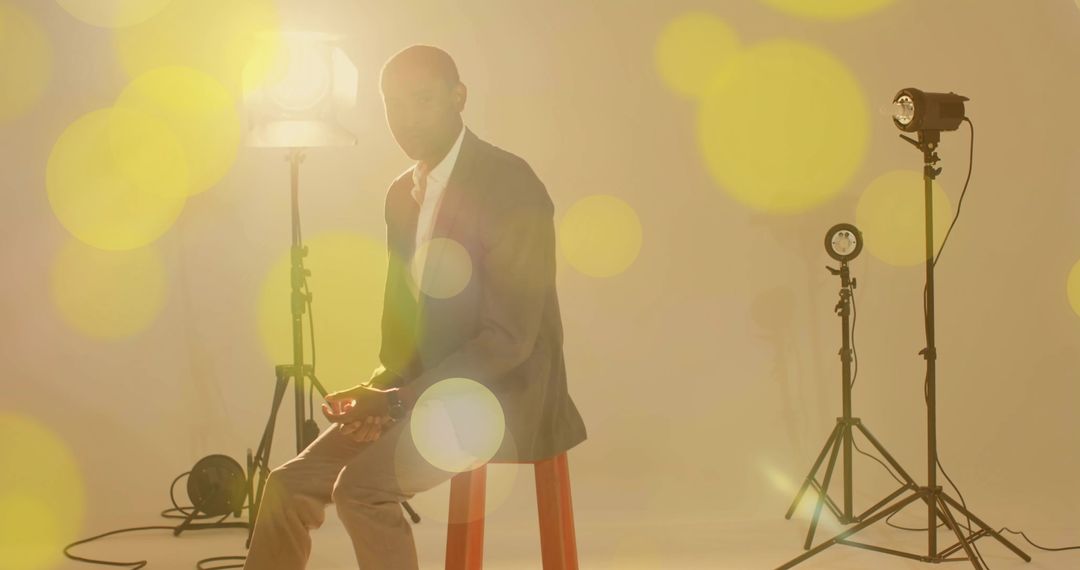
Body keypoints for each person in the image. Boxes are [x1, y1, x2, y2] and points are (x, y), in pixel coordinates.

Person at [242, 45, 587, 570]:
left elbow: (509, 339)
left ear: (458, 98)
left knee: (361, 490)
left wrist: (401, 401)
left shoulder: (510, 184)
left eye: (422, 100)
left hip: (499, 398)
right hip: (420, 393)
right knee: (288, 486)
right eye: (393, 104)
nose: (406, 119)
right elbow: (404, 324)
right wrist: (379, 389)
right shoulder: (403, 194)